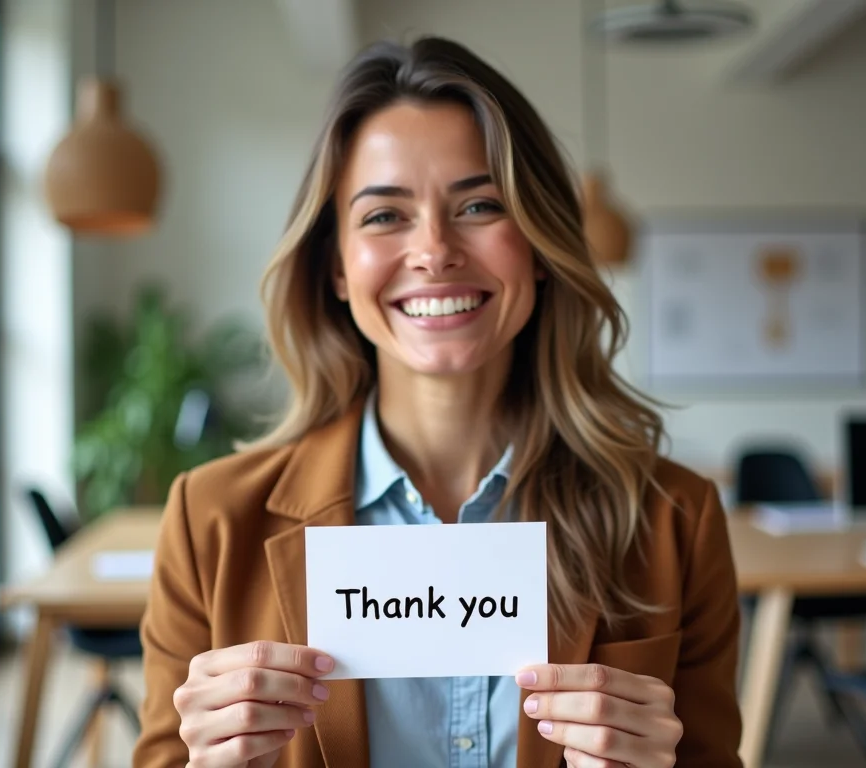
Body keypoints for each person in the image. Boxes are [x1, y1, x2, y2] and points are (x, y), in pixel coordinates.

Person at [133, 36, 742, 768]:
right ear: (334, 266)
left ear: (542, 249)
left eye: (480, 204)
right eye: (385, 216)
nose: (435, 251)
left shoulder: (676, 520)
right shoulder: (210, 524)